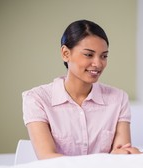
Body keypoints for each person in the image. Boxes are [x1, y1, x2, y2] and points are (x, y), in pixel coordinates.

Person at [22, 19, 134, 160]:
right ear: (65, 54)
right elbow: (47, 158)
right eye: (88, 54)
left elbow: (122, 156)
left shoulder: (118, 98)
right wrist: (105, 160)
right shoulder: (37, 99)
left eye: (104, 56)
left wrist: (128, 153)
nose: (98, 63)